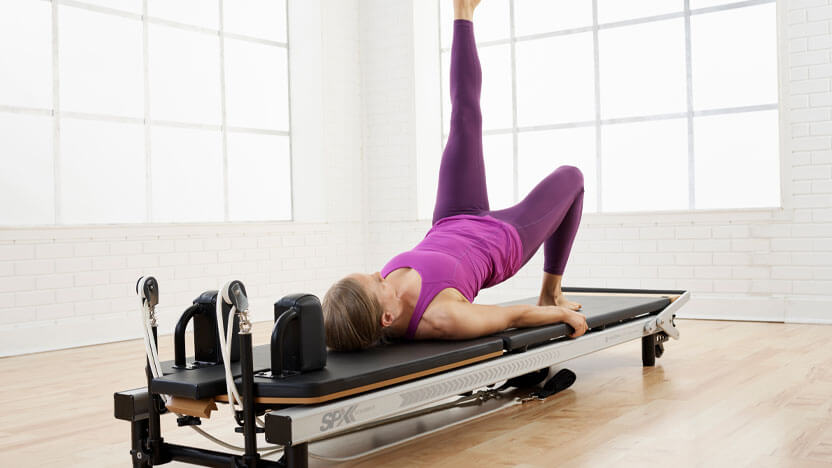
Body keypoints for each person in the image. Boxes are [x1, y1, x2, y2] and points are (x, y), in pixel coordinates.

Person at [323, 0, 588, 351]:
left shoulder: (371, 305)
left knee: (464, 116)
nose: (379, 273)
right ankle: (550, 293)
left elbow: (340, 321)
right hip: (503, 240)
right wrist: (559, 315)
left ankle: (462, 11)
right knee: (571, 176)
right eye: (376, 281)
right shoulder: (446, 318)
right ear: (387, 317)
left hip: (451, 217)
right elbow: (512, 318)